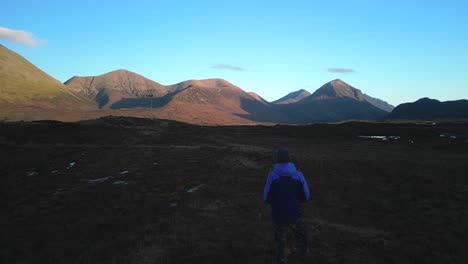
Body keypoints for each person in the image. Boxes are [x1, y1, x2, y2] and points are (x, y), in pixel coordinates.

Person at [263, 148, 310, 264]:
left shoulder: (272, 175)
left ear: (277, 160)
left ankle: (282, 260)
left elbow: (266, 198)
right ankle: (302, 258)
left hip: (278, 216)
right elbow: (306, 197)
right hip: (295, 214)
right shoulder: (299, 175)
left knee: (280, 241)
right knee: (302, 237)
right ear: (289, 160)